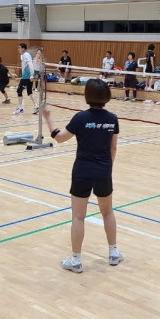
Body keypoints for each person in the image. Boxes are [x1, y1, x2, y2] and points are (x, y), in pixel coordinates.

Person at [40, 79, 122, 273]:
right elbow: (113, 147)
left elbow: (59, 138)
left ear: (87, 95)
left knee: (78, 217)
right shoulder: (112, 119)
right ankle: (113, 253)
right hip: (103, 172)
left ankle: (76, 260)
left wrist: (48, 117)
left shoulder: (81, 118)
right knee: (108, 212)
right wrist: (107, 168)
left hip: (82, 172)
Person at [14, 43, 38, 115]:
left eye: (19, 48)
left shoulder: (26, 55)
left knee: (19, 90)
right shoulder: (22, 56)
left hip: (27, 77)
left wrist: (31, 75)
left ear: (23, 48)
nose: (18, 49)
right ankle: (36, 106)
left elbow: (30, 64)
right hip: (25, 76)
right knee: (29, 91)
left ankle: (20, 108)